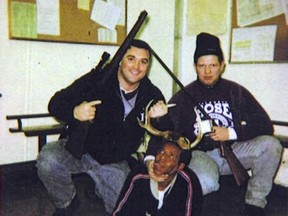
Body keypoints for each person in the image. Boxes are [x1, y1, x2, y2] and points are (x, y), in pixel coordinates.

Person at [36, 39, 168, 215]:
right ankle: (67, 203)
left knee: (126, 211)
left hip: (116, 162)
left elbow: (165, 133)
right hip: (80, 151)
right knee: (48, 159)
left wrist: (160, 120)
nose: (136, 66)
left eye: (143, 61)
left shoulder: (153, 94)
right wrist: (75, 111)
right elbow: (55, 103)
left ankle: (98, 189)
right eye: (131, 58)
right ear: (120, 59)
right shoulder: (98, 78)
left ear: (148, 66)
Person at [166, 32, 283, 216]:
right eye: (202, 66)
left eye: (213, 65)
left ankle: (255, 203)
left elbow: (265, 125)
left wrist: (231, 133)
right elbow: (168, 130)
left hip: (234, 149)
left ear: (222, 65)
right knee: (205, 183)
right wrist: (158, 118)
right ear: (195, 67)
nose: (207, 71)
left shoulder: (235, 91)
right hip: (201, 155)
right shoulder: (183, 96)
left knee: (272, 145)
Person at [112, 138, 203, 216]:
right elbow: (120, 212)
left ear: (180, 166)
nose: (162, 158)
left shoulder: (187, 183)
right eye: (161, 151)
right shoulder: (139, 176)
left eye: (171, 156)